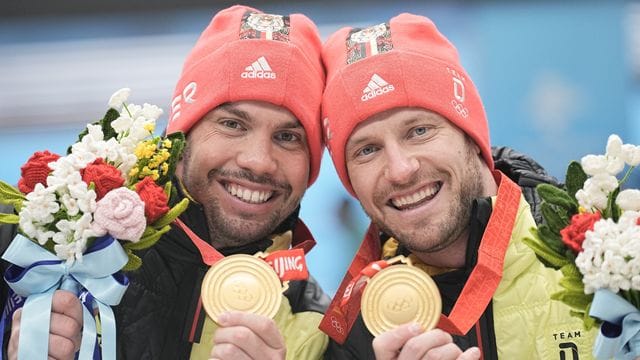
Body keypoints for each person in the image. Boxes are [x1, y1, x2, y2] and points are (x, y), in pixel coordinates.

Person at [1, 5, 330, 360]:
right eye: (233, 124)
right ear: (182, 136)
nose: (258, 161)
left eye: (288, 137)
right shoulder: (37, 235)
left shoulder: (316, 330)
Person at [318, 13, 597, 359]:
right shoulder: (358, 330)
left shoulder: (601, 257)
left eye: (419, 131)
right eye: (367, 150)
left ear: (471, 136)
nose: (401, 170)